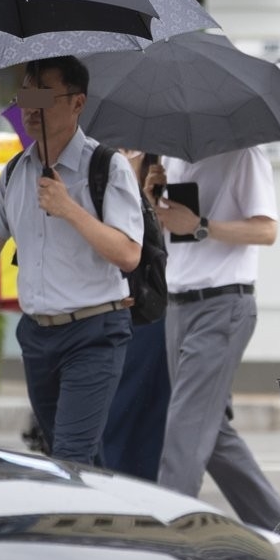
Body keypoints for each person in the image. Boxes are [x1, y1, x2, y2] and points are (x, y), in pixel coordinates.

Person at [0, 56, 144, 465]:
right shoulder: (15, 172)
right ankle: (108, 523)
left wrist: (69, 208)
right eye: (25, 94)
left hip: (94, 332)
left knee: (69, 457)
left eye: (42, 95)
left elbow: (129, 254)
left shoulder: (106, 167)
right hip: (37, 336)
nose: (29, 106)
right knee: (73, 456)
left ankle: (74, 527)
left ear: (77, 103)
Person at [146, 146, 280, 534]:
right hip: (177, 306)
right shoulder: (171, 157)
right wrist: (153, 198)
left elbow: (267, 229)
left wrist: (200, 224)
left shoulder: (245, 153)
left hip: (223, 304)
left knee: (184, 432)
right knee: (212, 433)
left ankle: (165, 542)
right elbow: (172, 234)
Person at [100, 150, 170, 481]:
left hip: (154, 306)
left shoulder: (166, 164)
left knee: (151, 415)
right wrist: (130, 186)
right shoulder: (105, 165)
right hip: (117, 302)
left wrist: (150, 200)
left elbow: (156, 243)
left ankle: (145, 499)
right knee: (117, 412)